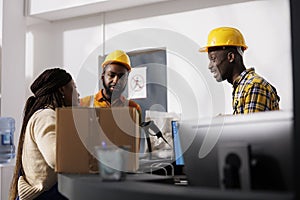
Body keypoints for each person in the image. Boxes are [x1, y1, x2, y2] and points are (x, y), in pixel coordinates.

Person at [9, 68, 80, 200]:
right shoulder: (46, 115)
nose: (79, 94)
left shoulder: (47, 115)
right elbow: (58, 158)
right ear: (62, 90)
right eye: (74, 88)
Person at [199, 26, 280, 114]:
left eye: (213, 59)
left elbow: (251, 127)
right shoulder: (241, 87)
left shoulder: (254, 86)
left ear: (231, 57)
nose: (209, 66)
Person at [80, 49, 141, 115]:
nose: (116, 81)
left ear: (126, 79)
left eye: (121, 77)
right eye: (111, 75)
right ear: (102, 76)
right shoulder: (84, 104)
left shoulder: (133, 108)